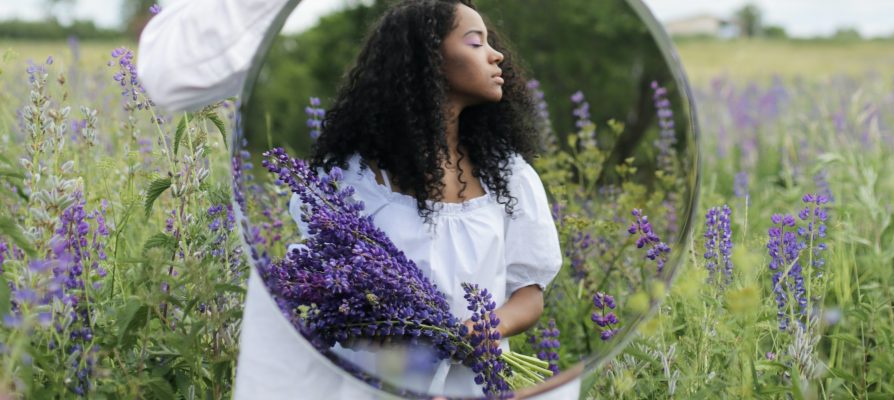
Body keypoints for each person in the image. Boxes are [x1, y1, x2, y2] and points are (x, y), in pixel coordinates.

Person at [138, 0, 579, 398]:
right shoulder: (350, 178)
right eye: (475, 42)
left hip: (476, 383)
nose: (496, 54)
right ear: (428, 60)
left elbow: (529, 293)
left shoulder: (510, 176)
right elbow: (331, 292)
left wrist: (477, 331)